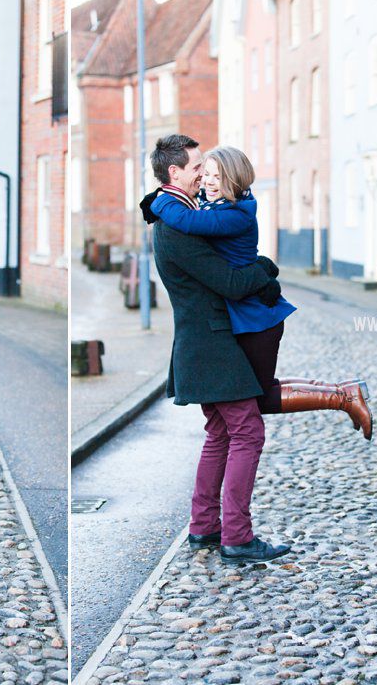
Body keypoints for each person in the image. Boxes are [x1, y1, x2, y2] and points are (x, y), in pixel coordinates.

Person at [147, 145, 372, 440]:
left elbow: (191, 223)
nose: (206, 179)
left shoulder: (233, 213)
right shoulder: (214, 203)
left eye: (216, 174)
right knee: (259, 390)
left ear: (235, 180)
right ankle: (344, 393)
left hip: (255, 314)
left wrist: (158, 201)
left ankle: (343, 397)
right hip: (245, 314)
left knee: (260, 395)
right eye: (204, 171)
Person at [145, 134, 292, 565]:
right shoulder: (176, 225)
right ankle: (237, 537)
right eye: (196, 168)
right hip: (210, 344)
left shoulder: (179, 213)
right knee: (247, 432)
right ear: (175, 173)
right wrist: (265, 267)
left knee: (221, 434)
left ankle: (205, 527)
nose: (202, 176)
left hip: (203, 342)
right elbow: (229, 282)